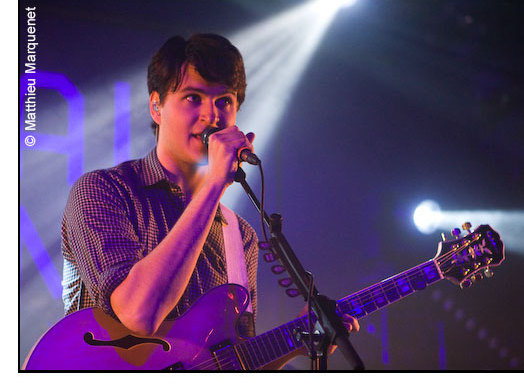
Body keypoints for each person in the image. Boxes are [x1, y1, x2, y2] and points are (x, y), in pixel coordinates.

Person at [60, 33, 358, 370]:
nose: (210, 115)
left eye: (224, 102)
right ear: (156, 107)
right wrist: (215, 182)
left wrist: (298, 343)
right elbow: (138, 314)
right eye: (192, 98)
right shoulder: (104, 190)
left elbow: (232, 361)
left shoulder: (239, 234)